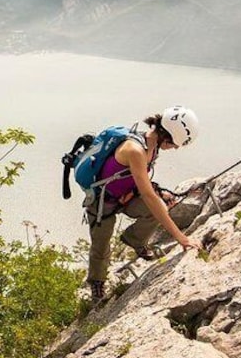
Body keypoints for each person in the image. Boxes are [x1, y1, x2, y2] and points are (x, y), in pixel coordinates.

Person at [86, 105, 203, 303]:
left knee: (158, 208)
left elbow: (141, 181)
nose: (174, 148)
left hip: (126, 194)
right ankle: (97, 283)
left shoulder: (152, 146)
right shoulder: (135, 150)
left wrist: (160, 192)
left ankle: (135, 240)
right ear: (167, 134)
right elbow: (148, 196)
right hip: (102, 200)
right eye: (174, 144)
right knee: (101, 245)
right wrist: (182, 239)